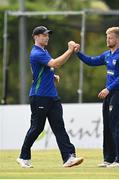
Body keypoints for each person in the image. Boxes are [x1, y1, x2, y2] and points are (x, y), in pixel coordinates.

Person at [16, 26, 84, 168]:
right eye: (43, 35)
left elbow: (41, 70)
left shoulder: (43, 51)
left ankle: (69, 157)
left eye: (47, 35)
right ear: (35, 37)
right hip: (39, 96)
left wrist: (51, 76)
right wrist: (70, 50)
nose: (46, 37)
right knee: (37, 128)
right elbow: (55, 63)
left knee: (59, 127)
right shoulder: (36, 53)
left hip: (52, 97)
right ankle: (23, 157)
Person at [74, 27, 119, 168]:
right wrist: (77, 53)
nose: (107, 39)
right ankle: (109, 159)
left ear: (118, 39)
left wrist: (109, 88)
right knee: (107, 126)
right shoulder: (107, 55)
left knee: (116, 126)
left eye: (110, 37)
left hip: (118, 94)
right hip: (109, 94)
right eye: (107, 37)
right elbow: (91, 61)